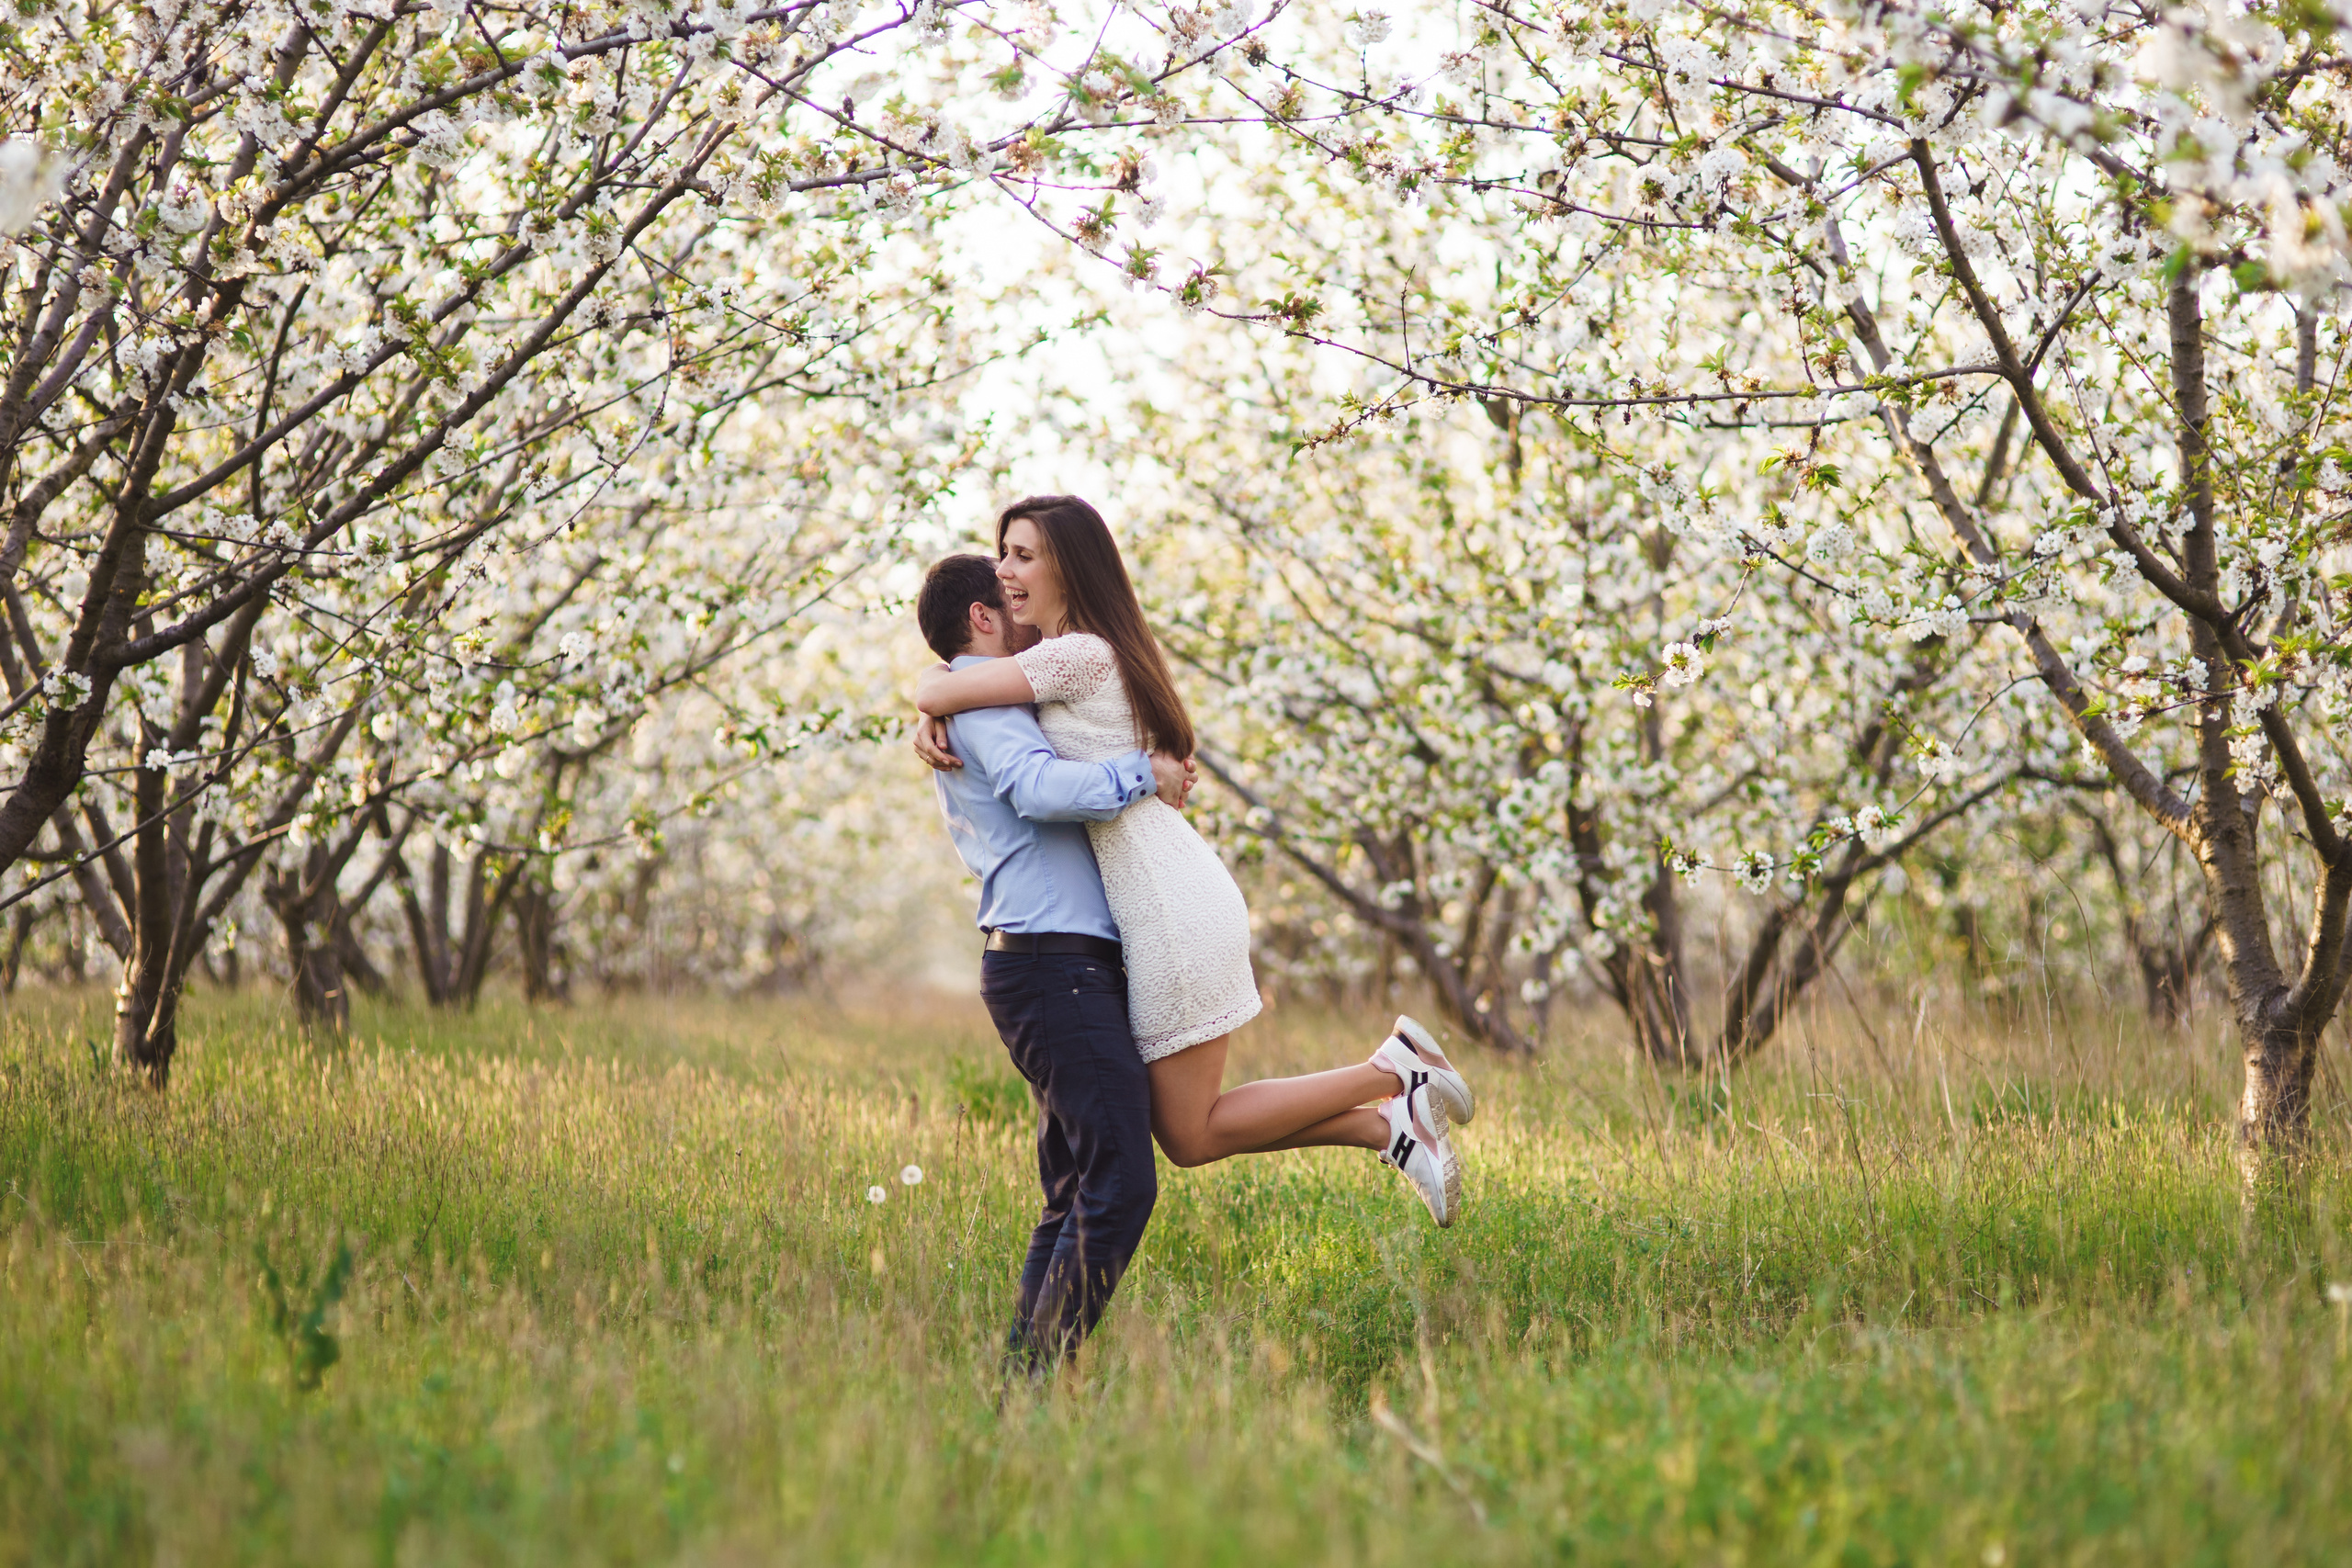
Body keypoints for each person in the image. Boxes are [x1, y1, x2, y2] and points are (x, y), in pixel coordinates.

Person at [913, 495, 1475, 1232]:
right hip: (1167, 890)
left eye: (1022, 556)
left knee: (1190, 1132)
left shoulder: (1074, 652)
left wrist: (930, 705)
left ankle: (1394, 1070)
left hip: (1166, 903)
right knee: (1187, 1133)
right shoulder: (1064, 654)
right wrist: (934, 716)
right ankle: (1387, 1125)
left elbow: (941, 682)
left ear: (1068, 567)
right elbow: (964, 687)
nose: (1006, 573)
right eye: (1004, 557)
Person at [915, 552, 1193, 1371]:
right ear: (981, 618)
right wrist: (1147, 773)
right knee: (1120, 1185)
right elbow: (1037, 790)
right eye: (1008, 596)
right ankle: (1035, 1379)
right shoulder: (985, 707)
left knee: (1074, 1191)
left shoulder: (969, 700)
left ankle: (1021, 1386)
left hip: (1051, 962)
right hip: (1052, 964)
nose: (1024, 608)